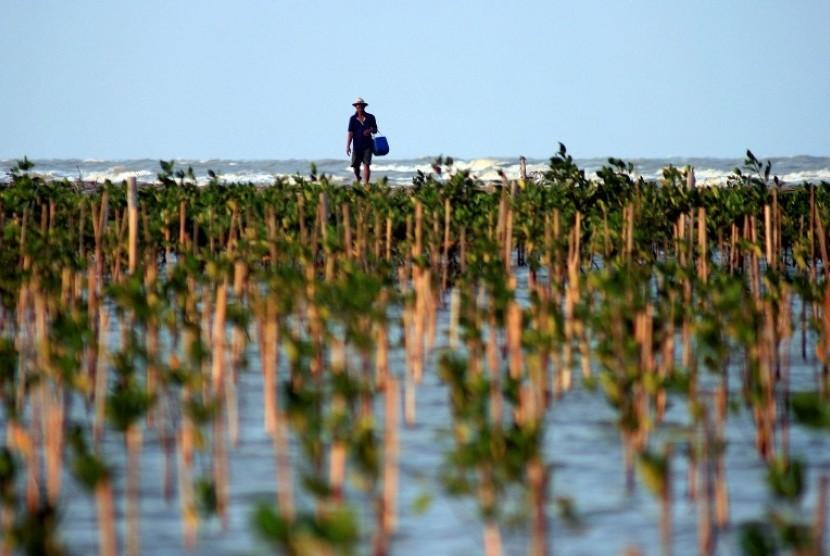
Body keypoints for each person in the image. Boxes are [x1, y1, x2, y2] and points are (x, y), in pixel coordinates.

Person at [346, 97, 378, 185]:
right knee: (355, 166)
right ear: (355, 107)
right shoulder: (352, 119)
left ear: (364, 106)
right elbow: (350, 132)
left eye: (361, 105)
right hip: (356, 146)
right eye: (357, 105)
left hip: (368, 145)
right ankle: (358, 177)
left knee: (366, 164)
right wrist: (348, 146)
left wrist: (370, 130)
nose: (359, 107)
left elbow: (375, 129)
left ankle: (366, 184)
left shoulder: (371, 117)